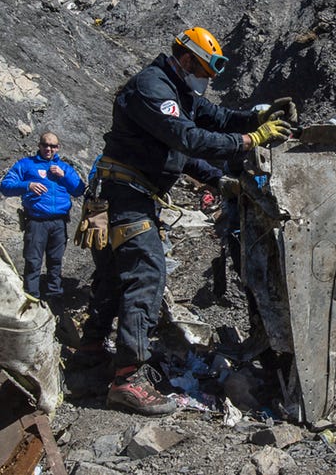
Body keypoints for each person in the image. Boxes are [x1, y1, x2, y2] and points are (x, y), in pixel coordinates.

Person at [76, 26, 296, 416]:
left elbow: (218, 121)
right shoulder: (153, 86)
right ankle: (128, 379)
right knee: (146, 273)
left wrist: (257, 118)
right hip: (125, 194)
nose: (206, 82)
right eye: (204, 72)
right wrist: (252, 140)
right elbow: (189, 140)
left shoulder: (182, 94)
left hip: (127, 192)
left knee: (113, 276)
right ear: (187, 58)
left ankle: (90, 353)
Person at [0, 131, 85, 307]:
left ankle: (55, 299)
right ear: (39, 146)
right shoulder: (26, 164)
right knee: (33, 260)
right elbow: (5, 186)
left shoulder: (63, 168)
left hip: (59, 222)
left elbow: (79, 189)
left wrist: (64, 175)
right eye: (45, 145)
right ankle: (32, 298)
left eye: (53, 146)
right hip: (36, 221)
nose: (49, 149)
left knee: (55, 261)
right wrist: (27, 185)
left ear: (58, 148)